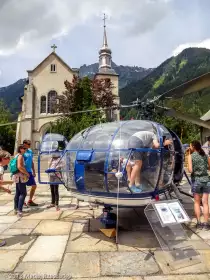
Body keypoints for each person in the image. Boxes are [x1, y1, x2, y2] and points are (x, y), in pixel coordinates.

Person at [188, 140, 210, 230]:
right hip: (206, 180)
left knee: (197, 202)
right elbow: (209, 166)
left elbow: (190, 170)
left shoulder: (191, 156)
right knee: (205, 203)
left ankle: (198, 223)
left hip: (196, 181)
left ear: (193, 147)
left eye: (190, 146)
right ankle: (206, 224)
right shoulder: (205, 155)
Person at [12, 145, 30, 217]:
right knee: (23, 193)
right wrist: (27, 173)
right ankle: (19, 211)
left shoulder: (16, 156)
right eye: (24, 148)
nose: (25, 150)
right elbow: (19, 167)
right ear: (20, 149)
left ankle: (16, 208)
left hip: (16, 176)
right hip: (20, 176)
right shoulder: (20, 156)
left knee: (18, 193)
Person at [0, 150, 12, 246]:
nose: (9, 160)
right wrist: (9, 182)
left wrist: (5, 189)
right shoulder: (0, 168)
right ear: (3, 159)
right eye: (8, 158)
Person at [22, 140, 38, 207]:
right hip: (23, 172)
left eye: (30, 144)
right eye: (28, 144)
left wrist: (34, 171)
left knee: (34, 186)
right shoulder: (22, 151)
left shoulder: (30, 151)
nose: (29, 145)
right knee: (22, 187)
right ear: (24, 144)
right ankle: (22, 201)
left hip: (29, 171)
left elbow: (31, 162)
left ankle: (30, 200)